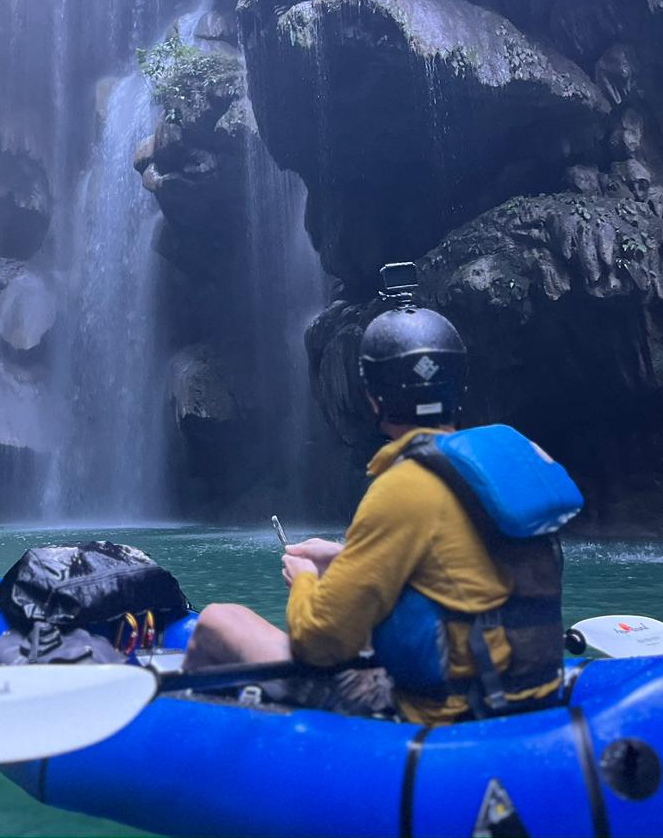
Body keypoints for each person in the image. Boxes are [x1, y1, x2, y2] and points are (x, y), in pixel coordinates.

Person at [184, 291, 583, 725]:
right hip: (526, 694)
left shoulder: (404, 485)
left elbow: (318, 643)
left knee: (218, 621)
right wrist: (343, 558)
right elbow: (469, 572)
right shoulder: (512, 459)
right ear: (459, 385)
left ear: (373, 397)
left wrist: (304, 583)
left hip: (445, 713)